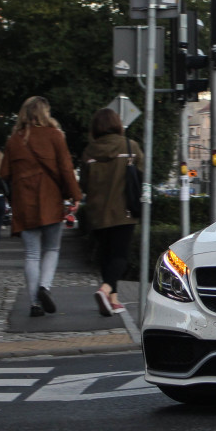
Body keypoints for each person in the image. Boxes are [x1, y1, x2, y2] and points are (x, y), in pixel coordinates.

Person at [0, 96, 82, 317]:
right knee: (52, 249)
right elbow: (66, 168)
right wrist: (75, 195)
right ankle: (45, 286)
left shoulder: (14, 140)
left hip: (24, 203)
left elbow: (4, 173)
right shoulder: (55, 136)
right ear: (45, 113)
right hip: (50, 200)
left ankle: (35, 303)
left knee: (32, 254)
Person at [80, 107, 142, 317]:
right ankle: (106, 289)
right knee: (120, 257)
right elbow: (142, 176)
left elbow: (84, 184)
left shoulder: (89, 152)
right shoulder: (130, 146)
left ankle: (112, 300)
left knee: (106, 256)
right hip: (123, 211)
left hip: (97, 213)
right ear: (117, 123)